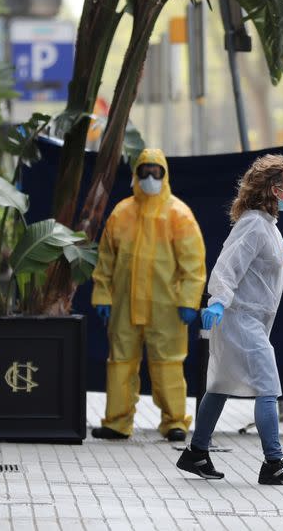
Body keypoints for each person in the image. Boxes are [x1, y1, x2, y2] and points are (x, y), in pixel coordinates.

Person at [175, 154, 283, 486]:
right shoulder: (253, 224)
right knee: (268, 386)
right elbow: (227, 266)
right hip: (240, 319)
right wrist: (217, 302)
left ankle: (196, 453)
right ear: (275, 190)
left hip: (246, 319)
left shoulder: (264, 224)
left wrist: (280, 250)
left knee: (220, 385)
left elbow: (256, 253)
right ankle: (274, 463)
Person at [91, 148, 206, 442]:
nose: (150, 177)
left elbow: (193, 265)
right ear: (136, 174)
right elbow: (105, 260)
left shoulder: (179, 215)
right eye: (145, 171)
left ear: (165, 174)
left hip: (165, 307)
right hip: (124, 305)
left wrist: (188, 301)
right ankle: (116, 422)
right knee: (120, 362)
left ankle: (175, 422)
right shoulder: (121, 213)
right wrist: (102, 295)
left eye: (156, 171)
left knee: (168, 363)